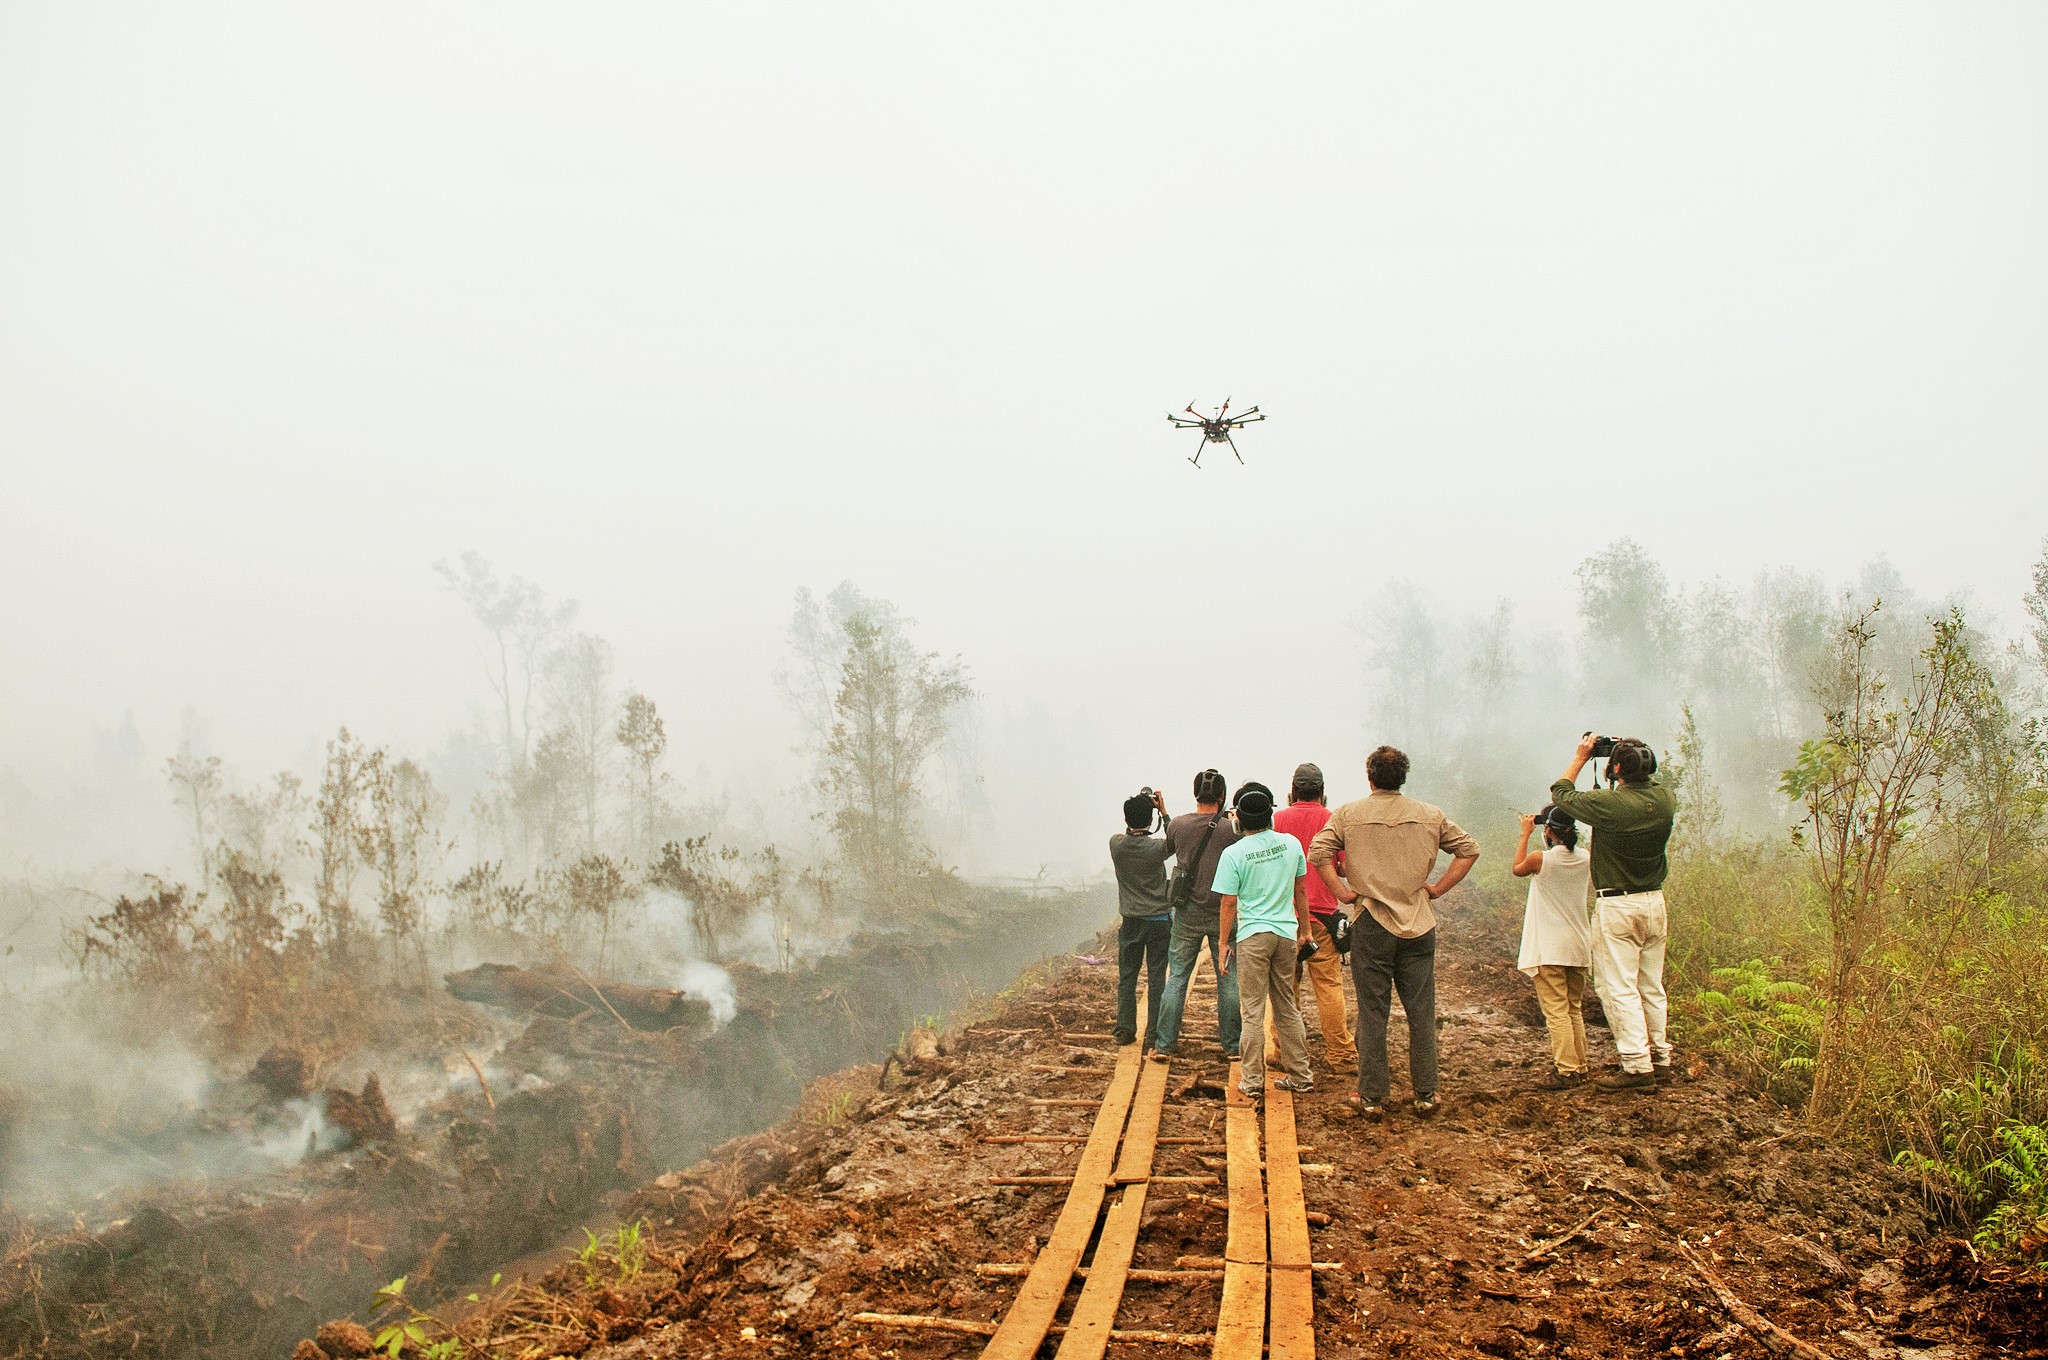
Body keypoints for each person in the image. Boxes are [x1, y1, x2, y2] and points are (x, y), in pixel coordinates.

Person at [1308, 746, 1479, 1120]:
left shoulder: (1349, 815)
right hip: (1419, 923)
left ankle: (1371, 1096)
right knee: (1421, 1011)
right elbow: (1468, 849)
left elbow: (1318, 852)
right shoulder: (1430, 815)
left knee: (1373, 1012)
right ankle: (1426, 1093)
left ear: (1369, 777)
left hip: (1370, 920)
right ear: (1403, 777)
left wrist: (1342, 893)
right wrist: (1438, 888)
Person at [1548, 734, 1678, 1093]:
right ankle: (1660, 1057)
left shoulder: (1610, 805)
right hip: (1654, 901)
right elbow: (1637, 787)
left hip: (1619, 904)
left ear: (1616, 768)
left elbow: (1561, 794)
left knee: (1618, 987)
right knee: (1651, 985)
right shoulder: (1666, 800)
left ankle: (1637, 1065)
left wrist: (1580, 756)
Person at [1214, 785, 1315, 1097]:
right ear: (1270, 816)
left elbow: (1229, 903)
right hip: (1285, 934)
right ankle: (1301, 1075)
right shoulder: (1291, 844)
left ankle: (1253, 1080)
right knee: (1286, 1005)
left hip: (1253, 937)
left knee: (1253, 1010)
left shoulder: (1233, 854)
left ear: (1239, 821)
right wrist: (1306, 930)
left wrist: (1222, 943)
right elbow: (1300, 890)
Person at [1271, 762, 1359, 1076]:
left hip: (1284, 918)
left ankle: (1284, 1051)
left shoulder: (1277, 819)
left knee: (1284, 988)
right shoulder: (1333, 819)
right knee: (1329, 987)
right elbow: (1347, 869)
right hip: (1322, 918)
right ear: (1322, 793)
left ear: (1292, 791)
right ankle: (1341, 1055)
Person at [1151, 768, 1243, 1061]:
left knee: (1177, 976)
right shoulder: (1232, 829)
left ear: (1195, 794)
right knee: (1228, 979)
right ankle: (1231, 1046)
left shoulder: (1178, 824)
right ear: (1221, 795)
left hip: (1187, 912)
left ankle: (1164, 1044)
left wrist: (1165, 815)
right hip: (1223, 912)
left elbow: (1168, 847)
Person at [1510, 805, 1594, 1088]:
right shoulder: (1586, 858)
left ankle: (1567, 1070)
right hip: (1579, 944)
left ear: (1548, 831)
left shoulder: (1540, 859)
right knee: (1573, 1007)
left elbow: (1517, 869)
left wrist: (1524, 834)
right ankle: (1580, 1065)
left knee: (1556, 1010)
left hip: (1550, 946)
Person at [1108, 788, 1175, 1047]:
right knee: (1157, 977)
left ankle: (1125, 1029)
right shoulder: (1158, 848)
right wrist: (1164, 812)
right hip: (1159, 921)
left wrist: (1139, 815)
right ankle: (1154, 1034)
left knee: (1128, 976)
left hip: (1131, 922)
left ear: (1126, 820)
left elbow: (1125, 834)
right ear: (1150, 820)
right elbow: (1177, 839)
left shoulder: (1116, 846)